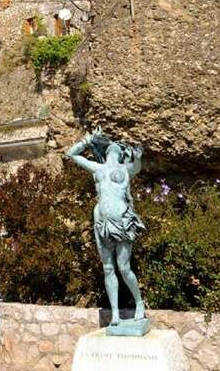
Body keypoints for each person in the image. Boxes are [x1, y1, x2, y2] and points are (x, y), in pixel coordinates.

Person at [65, 126, 146, 327]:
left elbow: (137, 167)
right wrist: (88, 140)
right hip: (102, 224)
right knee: (108, 268)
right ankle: (115, 314)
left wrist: (136, 157)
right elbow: (71, 154)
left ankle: (139, 303)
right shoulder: (98, 168)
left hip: (123, 222)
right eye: (111, 146)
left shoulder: (125, 169)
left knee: (124, 268)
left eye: (119, 146)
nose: (113, 147)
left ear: (122, 153)